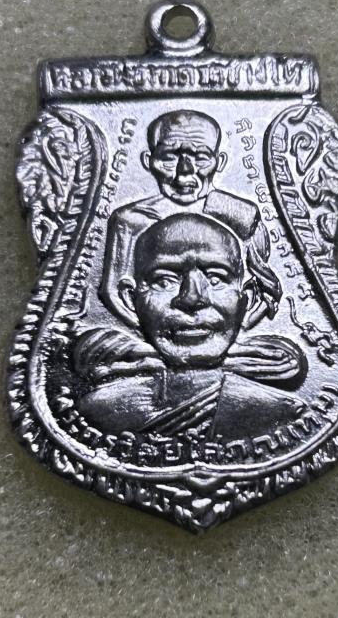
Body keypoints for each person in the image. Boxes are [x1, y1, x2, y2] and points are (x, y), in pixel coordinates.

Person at [78, 214, 304, 440]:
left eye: (215, 279)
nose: (192, 298)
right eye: (164, 281)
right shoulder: (99, 412)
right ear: (130, 299)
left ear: (248, 298)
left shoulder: (281, 413)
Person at [100, 110, 281, 329]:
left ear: (220, 162)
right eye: (169, 157)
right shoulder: (131, 220)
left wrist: (240, 327)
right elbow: (113, 293)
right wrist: (153, 331)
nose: (184, 171)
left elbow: (265, 288)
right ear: (148, 161)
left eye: (201, 158)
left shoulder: (239, 215)